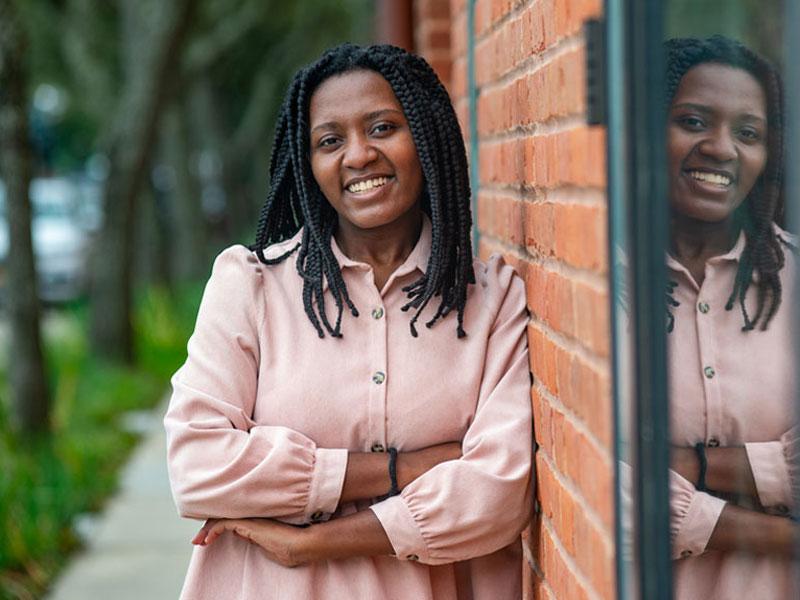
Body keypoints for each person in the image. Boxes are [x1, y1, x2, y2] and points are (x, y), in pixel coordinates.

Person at [164, 43, 533, 600]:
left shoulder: (491, 299)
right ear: (309, 163)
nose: (358, 156)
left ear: (426, 138)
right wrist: (403, 469)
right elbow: (195, 467)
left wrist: (314, 541)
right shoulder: (253, 286)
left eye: (383, 127)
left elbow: (498, 494)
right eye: (330, 141)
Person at [663, 36, 799, 598]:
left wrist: (669, 466)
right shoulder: (596, 284)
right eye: (694, 121)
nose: (721, 148)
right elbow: (598, 479)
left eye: (748, 133)